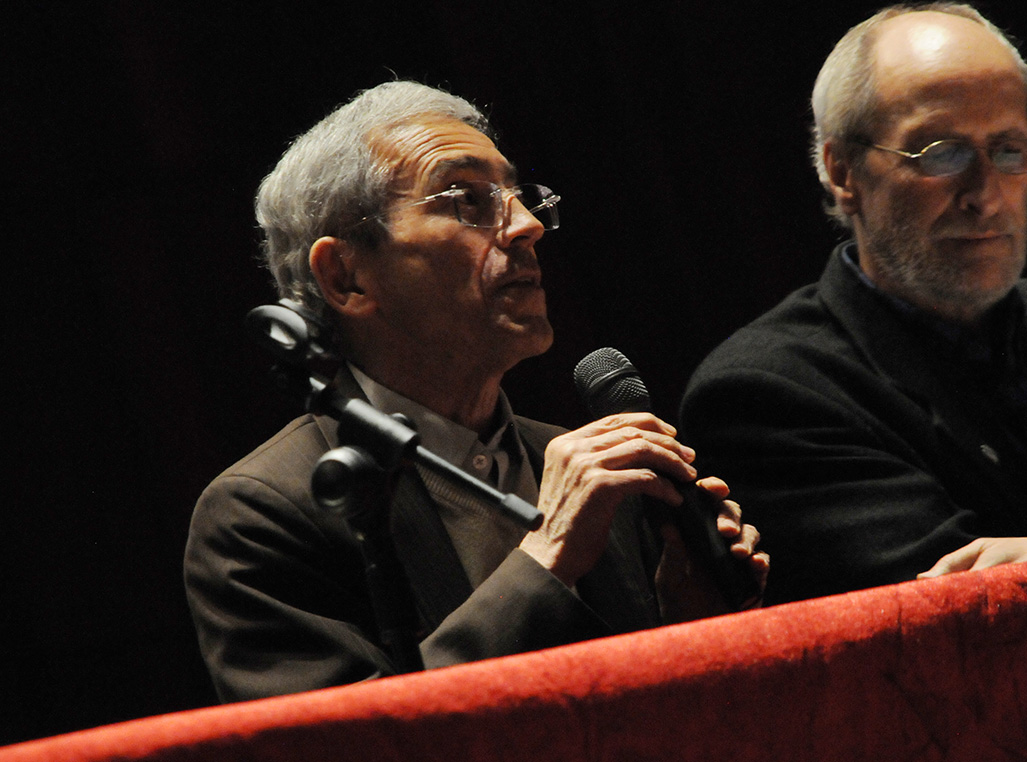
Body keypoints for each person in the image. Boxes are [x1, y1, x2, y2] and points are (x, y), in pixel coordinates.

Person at [185, 80, 767, 703]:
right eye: (467, 199)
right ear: (346, 275)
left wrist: (693, 626)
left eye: (521, 198)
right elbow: (350, 745)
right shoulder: (264, 513)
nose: (526, 227)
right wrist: (545, 559)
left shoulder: (589, 468)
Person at [680, 3, 1027, 604]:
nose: (985, 196)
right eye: (940, 153)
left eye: (1008, 150)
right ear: (843, 171)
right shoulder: (764, 394)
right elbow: (966, 609)